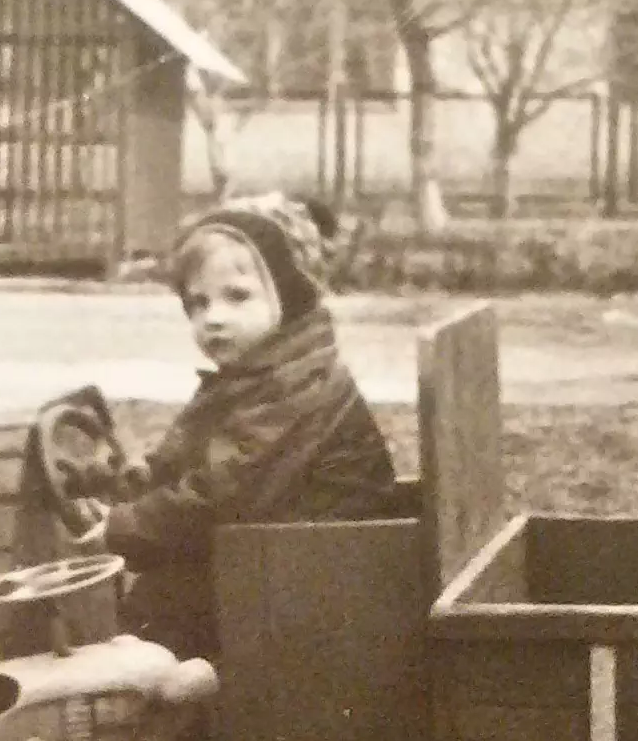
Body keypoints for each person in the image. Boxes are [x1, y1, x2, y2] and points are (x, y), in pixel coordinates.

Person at [59, 194, 399, 666]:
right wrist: (130, 487)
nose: (213, 317)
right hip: (280, 554)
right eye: (197, 303)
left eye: (237, 297)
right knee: (156, 600)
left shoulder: (295, 385)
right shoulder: (257, 376)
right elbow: (197, 462)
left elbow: (227, 491)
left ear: (290, 295)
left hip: (324, 578)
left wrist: (125, 526)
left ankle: (172, 699)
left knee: (153, 620)